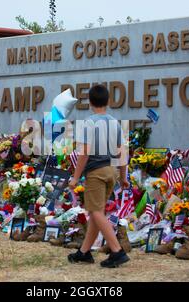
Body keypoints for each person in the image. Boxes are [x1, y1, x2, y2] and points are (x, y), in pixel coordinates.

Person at [68, 84, 130, 268]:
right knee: (97, 212)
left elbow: (84, 153)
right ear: (108, 101)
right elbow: (122, 152)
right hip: (111, 172)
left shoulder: (88, 123)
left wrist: (75, 177)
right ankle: (84, 252)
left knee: (95, 211)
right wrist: (124, 177)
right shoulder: (114, 122)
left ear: (90, 102)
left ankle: (117, 251)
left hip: (96, 172)